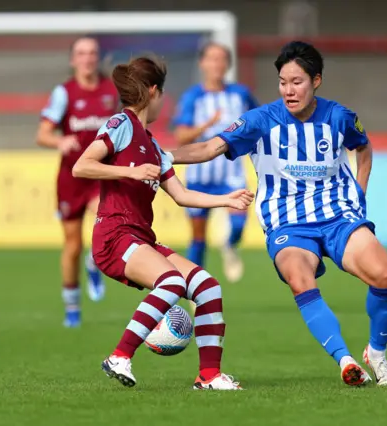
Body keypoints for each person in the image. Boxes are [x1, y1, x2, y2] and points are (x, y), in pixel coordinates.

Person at [166, 41, 387, 386]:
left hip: (338, 216)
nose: (289, 90)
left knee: (384, 276)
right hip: (287, 222)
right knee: (299, 277)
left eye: (297, 82)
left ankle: (376, 354)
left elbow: (363, 147)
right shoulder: (261, 121)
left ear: (316, 80)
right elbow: (208, 147)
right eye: (283, 82)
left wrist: (358, 196)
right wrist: (162, 156)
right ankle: (344, 359)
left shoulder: (339, 117)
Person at [72, 55, 253, 390]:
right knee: (171, 283)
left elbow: (182, 195)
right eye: (161, 93)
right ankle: (120, 356)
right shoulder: (120, 126)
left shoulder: (152, 144)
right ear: (153, 92)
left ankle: (209, 376)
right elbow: (81, 166)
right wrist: (130, 171)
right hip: (114, 236)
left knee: (207, 287)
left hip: (140, 237)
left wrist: (226, 200)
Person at [36, 36, 118, 327]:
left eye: (93, 52)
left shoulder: (112, 90)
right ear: (73, 60)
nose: (88, 58)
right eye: (81, 53)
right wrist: (61, 140)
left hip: (101, 174)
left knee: (102, 223)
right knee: (72, 245)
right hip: (71, 177)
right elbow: (42, 134)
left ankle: (94, 263)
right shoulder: (64, 93)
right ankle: (72, 308)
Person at [171, 42, 258, 283]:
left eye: (221, 59)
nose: (217, 64)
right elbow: (181, 136)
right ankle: (193, 288)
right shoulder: (193, 97)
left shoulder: (240, 94)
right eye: (212, 59)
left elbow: (260, 121)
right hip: (200, 176)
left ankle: (230, 245)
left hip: (231, 173)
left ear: (228, 64)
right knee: (198, 238)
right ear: (202, 63)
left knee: (239, 222)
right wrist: (208, 125)